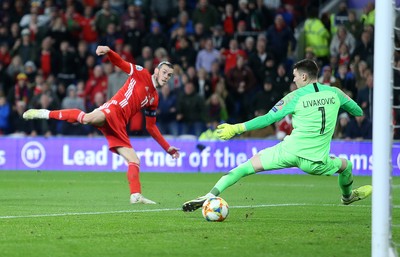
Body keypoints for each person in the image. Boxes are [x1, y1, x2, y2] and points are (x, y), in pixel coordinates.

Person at [182, 59, 372, 212]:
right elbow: (357, 111)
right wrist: (340, 104)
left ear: (304, 76)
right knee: (347, 166)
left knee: (244, 168)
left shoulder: (294, 97)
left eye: (295, 77)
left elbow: (267, 119)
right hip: (316, 161)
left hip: (288, 151)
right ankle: (347, 197)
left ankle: (211, 194)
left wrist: (237, 128)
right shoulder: (335, 93)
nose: (294, 81)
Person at [23, 45, 180, 204]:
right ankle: (45, 113)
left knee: (134, 160)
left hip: (119, 125)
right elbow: (120, 63)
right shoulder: (142, 73)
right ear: (156, 71)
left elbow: (151, 127)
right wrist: (108, 51)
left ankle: (135, 195)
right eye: (164, 72)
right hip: (113, 109)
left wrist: (167, 148)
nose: (166, 76)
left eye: (170, 75)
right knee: (86, 119)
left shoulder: (154, 99)